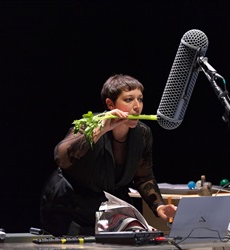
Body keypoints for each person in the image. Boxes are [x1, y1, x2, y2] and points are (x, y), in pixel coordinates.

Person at [40, 74, 177, 236]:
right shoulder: (90, 124)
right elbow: (61, 158)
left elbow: (144, 177)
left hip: (106, 210)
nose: (137, 106)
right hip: (68, 207)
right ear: (110, 104)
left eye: (140, 99)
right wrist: (101, 129)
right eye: (128, 99)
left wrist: (159, 206)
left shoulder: (143, 133)